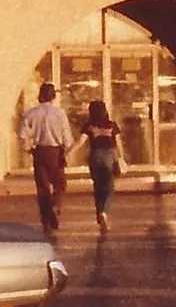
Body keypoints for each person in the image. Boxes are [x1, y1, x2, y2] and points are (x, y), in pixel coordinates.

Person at [18, 82, 76, 237]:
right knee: (60, 183)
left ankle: (46, 222)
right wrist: (66, 152)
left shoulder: (31, 113)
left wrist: (29, 149)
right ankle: (55, 205)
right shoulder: (59, 114)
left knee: (42, 187)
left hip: (39, 151)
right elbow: (67, 138)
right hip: (55, 152)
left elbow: (22, 134)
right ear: (53, 96)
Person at [77, 99, 123, 233]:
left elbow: (81, 142)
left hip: (95, 156)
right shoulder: (112, 125)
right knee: (109, 187)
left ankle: (99, 214)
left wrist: (68, 153)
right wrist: (121, 158)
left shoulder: (89, 125)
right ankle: (104, 213)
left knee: (97, 187)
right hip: (109, 155)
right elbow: (118, 144)